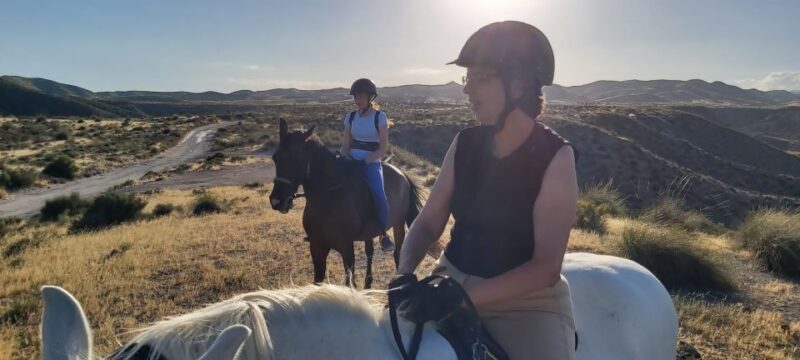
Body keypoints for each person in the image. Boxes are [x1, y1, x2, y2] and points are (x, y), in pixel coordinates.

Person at [389, 21, 579, 359]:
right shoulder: (464, 143)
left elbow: (546, 267)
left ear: (517, 84)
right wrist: (404, 274)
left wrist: (460, 298)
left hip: (524, 304)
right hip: (450, 279)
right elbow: (429, 222)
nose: (466, 90)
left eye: (480, 78)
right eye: (467, 78)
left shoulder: (556, 157)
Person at [339, 78, 395, 252]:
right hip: (351, 161)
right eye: (356, 96)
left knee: (379, 194)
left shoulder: (379, 117)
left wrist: (365, 161)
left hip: (370, 162)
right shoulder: (350, 117)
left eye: (361, 96)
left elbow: (382, 147)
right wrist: (342, 159)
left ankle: (383, 233)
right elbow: (346, 145)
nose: (357, 100)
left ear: (370, 97)